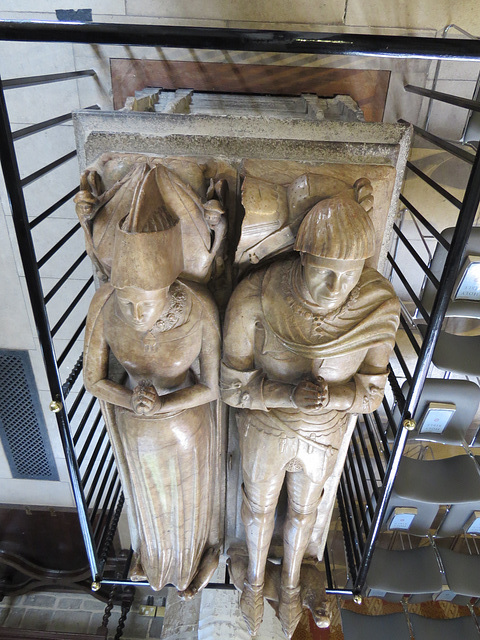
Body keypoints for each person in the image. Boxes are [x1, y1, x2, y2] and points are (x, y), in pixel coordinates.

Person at [221, 193, 400, 637]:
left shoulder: (378, 304)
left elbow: (372, 393)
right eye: (324, 273)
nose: (336, 288)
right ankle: (255, 582)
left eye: (349, 274)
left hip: (323, 430)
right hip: (267, 425)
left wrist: (333, 399)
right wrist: (287, 394)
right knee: (259, 508)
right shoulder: (256, 296)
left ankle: (293, 582)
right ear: (302, 258)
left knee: (305, 511)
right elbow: (231, 386)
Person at [84, 167, 221, 594]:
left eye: (145, 302)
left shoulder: (198, 309)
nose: (136, 312)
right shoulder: (104, 306)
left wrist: (165, 406)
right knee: (148, 502)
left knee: (185, 503)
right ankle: (154, 559)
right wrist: (128, 399)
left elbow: (211, 387)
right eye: (127, 299)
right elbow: (93, 379)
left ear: (169, 287)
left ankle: (194, 558)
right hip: (135, 428)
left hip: (185, 428)